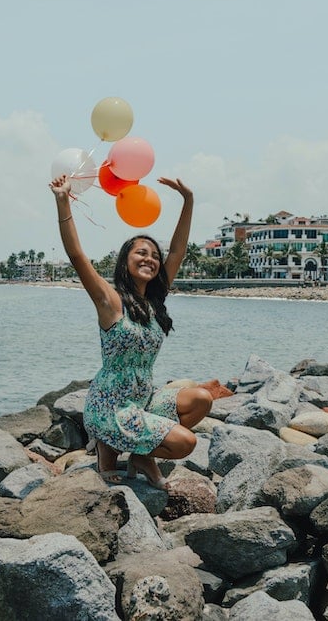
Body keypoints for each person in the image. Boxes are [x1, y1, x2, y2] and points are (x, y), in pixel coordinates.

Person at [49, 173, 212, 490]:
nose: (150, 259)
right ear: (125, 261)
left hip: (142, 401)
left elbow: (177, 251)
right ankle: (118, 449)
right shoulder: (110, 301)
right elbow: (77, 256)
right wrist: (62, 200)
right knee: (185, 443)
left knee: (202, 399)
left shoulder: (153, 302)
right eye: (141, 253)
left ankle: (137, 454)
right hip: (111, 407)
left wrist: (188, 201)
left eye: (154, 255)